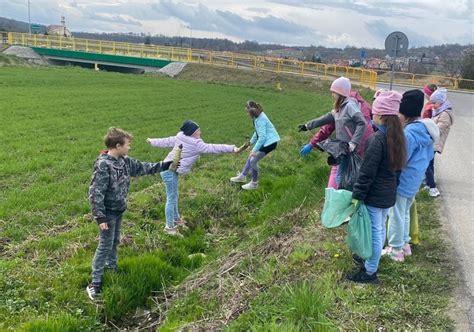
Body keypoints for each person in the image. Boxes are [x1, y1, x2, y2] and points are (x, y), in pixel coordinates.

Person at [86, 127, 173, 301]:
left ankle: (112, 268)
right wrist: (100, 216)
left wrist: (166, 165)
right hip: (107, 212)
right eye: (127, 144)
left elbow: (143, 167)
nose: (129, 148)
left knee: (115, 240)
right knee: (105, 244)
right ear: (117, 146)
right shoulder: (104, 164)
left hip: (119, 209)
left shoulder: (125, 161)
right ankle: (95, 283)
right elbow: (96, 192)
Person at [347, 90, 406, 284]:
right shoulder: (398, 138)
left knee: (374, 231)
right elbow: (398, 171)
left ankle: (370, 272)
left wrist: (357, 195)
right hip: (388, 194)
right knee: (379, 229)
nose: (372, 115)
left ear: (381, 116)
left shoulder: (376, 140)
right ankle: (371, 261)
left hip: (374, 195)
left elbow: (366, 173)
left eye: (375, 112)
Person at [147, 120, 239, 235]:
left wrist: (152, 141)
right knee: (171, 198)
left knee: (174, 195)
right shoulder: (196, 144)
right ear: (192, 133)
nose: (200, 132)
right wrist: (232, 148)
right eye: (198, 130)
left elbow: (165, 141)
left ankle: (176, 219)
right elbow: (213, 147)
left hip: (169, 169)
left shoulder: (180, 137)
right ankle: (169, 227)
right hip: (169, 171)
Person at [383, 90, 439, 262]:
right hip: (414, 180)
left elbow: (401, 159)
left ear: (404, 113)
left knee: (396, 214)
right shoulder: (425, 131)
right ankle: (405, 244)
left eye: (398, 113)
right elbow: (429, 157)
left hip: (403, 181)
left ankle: (395, 249)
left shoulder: (408, 134)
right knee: (405, 212)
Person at [298, 77, 366, 188]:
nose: (332, 94)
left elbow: (361, 122)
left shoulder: (349, 106)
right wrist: (307, 126)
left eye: (334, 92)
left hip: (349, 148)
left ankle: (340, 199)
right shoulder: (340, 107)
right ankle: (342, 198)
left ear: (340, 92)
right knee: (342, 175)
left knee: (341, 176)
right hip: (343, 148)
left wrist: (353, 142)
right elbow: (326, 118)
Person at [230, 100, 280, 190]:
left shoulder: (261, 119)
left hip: (270, 143)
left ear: (251, 111)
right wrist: (250, 143)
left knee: (253, 160)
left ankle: (254, 184)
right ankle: (242, 176)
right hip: (266, 141)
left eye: (247, 112)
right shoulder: (257, 117)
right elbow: (257, 132)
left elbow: (262, 137)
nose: (247, 114)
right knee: (251, 157)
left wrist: (254, 150)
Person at [424, 88, 454, 197]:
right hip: (432, 142)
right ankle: (428, 184)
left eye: (434, 103)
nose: (432, 105)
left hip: (435, 143)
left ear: (441, 102)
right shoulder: (438, 111)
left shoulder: (445, 114)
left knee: (426, 164)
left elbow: (438, 128)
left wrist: (427, 129)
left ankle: (433, 188)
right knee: (429, 163)